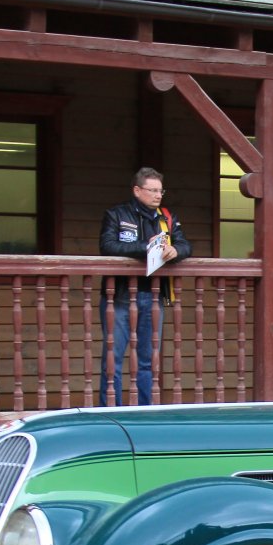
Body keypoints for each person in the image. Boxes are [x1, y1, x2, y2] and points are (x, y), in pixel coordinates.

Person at [98, 167, 191, 405]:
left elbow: (185, 245)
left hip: (153, 296)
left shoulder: (167, 217)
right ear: (137, 190)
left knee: (148, 361)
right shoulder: (116, 214)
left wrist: (175, 251)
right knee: (112, 360)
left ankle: (144, 410)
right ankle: (111, 412)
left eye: (161, 191)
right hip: (118, 296)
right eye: (153, 190)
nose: (158, 195)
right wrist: (145, 247)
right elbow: (107, 246)